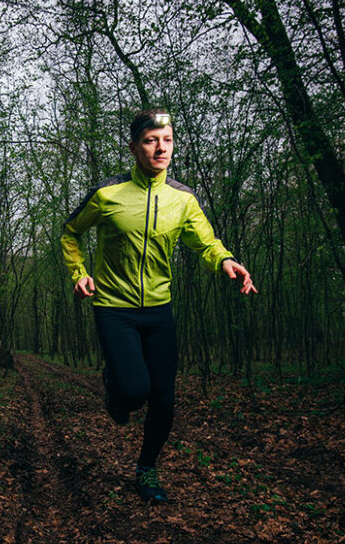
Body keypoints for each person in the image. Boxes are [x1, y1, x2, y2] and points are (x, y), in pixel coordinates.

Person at [60, 108, 257, 503]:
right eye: (150, 141)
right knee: (134, 391)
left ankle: (146, 469)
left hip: (159, 310)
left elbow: (205, 240)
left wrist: (225, 260)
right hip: (114, 307)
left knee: (164, 399)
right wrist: (78, 272)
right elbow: (70, 232)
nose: (160, 148)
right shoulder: (107, 194)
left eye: (166, 141)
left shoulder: (182, 199)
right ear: (134, 147)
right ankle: (116, 388)